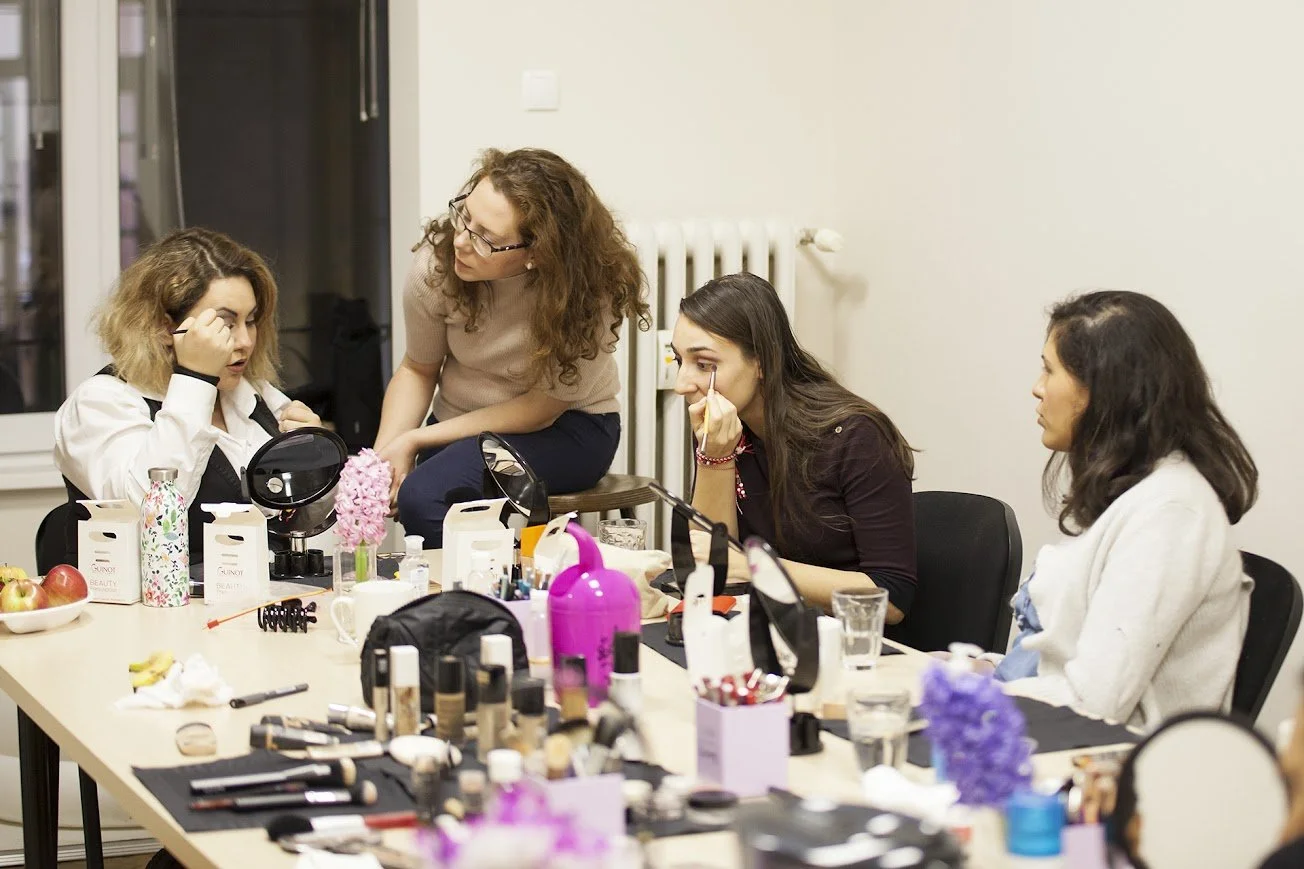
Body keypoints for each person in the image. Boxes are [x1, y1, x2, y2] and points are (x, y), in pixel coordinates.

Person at [990, 290, 1257, 727]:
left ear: (1102, 390)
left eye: (1049, 370)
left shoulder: (1173, 512)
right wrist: (979, 674)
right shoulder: (1139, 495)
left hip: (1108, 757)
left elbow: (1094, 704)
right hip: (1056, 739)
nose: (1037, 388)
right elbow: (1062, 662)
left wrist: (986, 694)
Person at [375, 148, 648, 547]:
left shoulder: (589, 293)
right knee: (421, 494)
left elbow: (540, 409)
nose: (461, 241)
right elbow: (418, 368)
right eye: (464, 216)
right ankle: (493, 577)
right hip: (458, 424)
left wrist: (415, 440)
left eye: (486, 238)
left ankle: (502, 583)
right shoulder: (436, 269)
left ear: (537, 253)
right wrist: (383, 458)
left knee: (424, 495)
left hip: (567, 427)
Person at [52, 227, 320, 562]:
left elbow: (305, 524)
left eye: (250, 321)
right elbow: (150, 516)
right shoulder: (99, 402)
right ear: (166, 328)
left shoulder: (255, 395)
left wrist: (315, 459)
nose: (245, 341)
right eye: (225, 323)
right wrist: (195, 378)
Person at [671, 272, 917, 623]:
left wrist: (754, 567)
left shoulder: (857, 437)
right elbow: (712, 571)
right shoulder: (728, 426)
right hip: (768, 627)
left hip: (848, 639)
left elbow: (890, 598)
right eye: (679, 360)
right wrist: (714, 458)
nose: (682, 384)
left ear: (761, 362)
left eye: (704, 364)